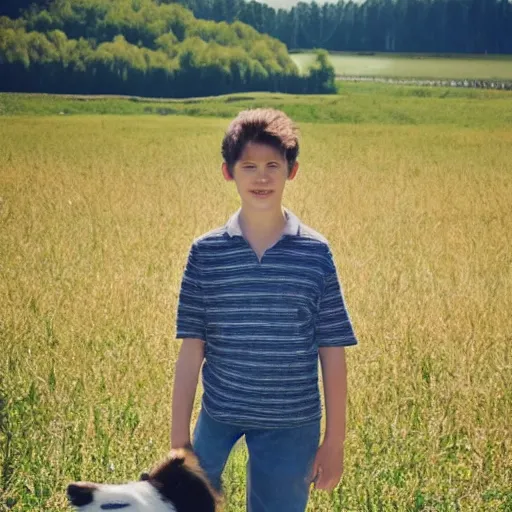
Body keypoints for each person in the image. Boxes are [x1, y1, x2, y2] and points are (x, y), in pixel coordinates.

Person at [171, 108, 358, 512]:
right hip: (219, 414)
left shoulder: (315, 253)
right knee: (187, 507)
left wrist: (334, 442)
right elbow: (191, 350)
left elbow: (332, 351)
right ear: (228, 172)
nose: (262, 177)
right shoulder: (206, 253)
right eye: (249, 165)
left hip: (292, 421)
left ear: (292, 171)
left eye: (273, 165)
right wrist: (177, 441)